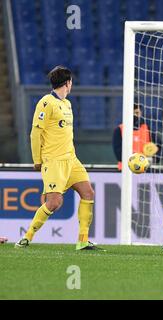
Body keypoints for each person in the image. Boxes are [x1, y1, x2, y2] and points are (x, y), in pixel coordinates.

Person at [16, 66, 100, 251]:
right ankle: (26, 237)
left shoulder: (67, 104)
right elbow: (35, 133)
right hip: (54, 161)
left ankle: (83, 240)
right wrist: (37, 160)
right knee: (54, 203)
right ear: (68, 83)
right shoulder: (46, 103)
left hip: (72, 159)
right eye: (71, 82)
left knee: (88, 193)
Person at [112, 103, 151, 171]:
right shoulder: (119, 130)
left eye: (137, 113)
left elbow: (157, 147)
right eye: (133, 113)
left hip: (144, 170)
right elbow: (118, 153)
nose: (135, 116)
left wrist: (154, 153)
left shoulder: (147, 129)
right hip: (125, 170)